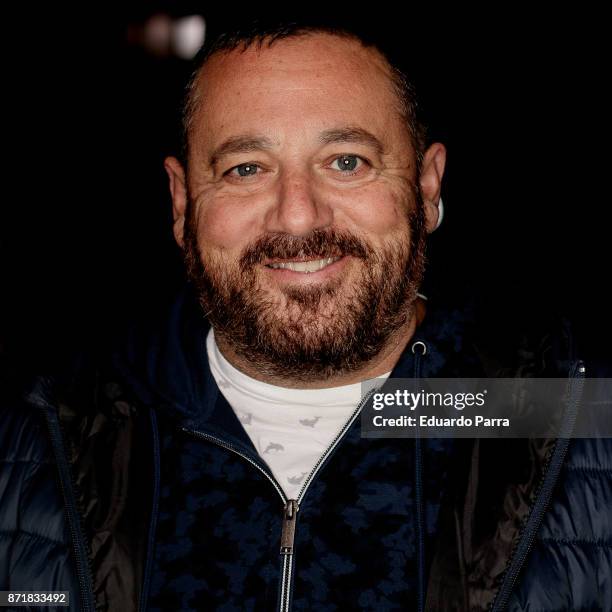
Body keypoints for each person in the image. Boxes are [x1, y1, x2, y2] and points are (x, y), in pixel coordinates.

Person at [1, 19, 610, 612]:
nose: (298, 217)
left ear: (426, 188)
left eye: (346, 161)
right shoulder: (38, 434)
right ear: (182, 202)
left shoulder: (577, 424)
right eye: (246, 169)